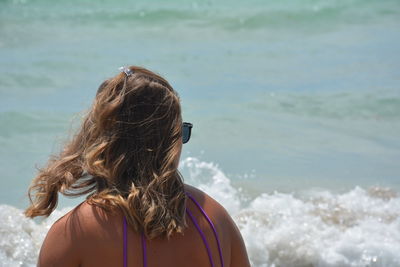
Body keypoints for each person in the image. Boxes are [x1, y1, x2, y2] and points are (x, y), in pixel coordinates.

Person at [25, 66, 250, 267]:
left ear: (100, 139)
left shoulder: (77, 232)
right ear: (169, 142)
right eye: (180, 132)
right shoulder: (214, 218)